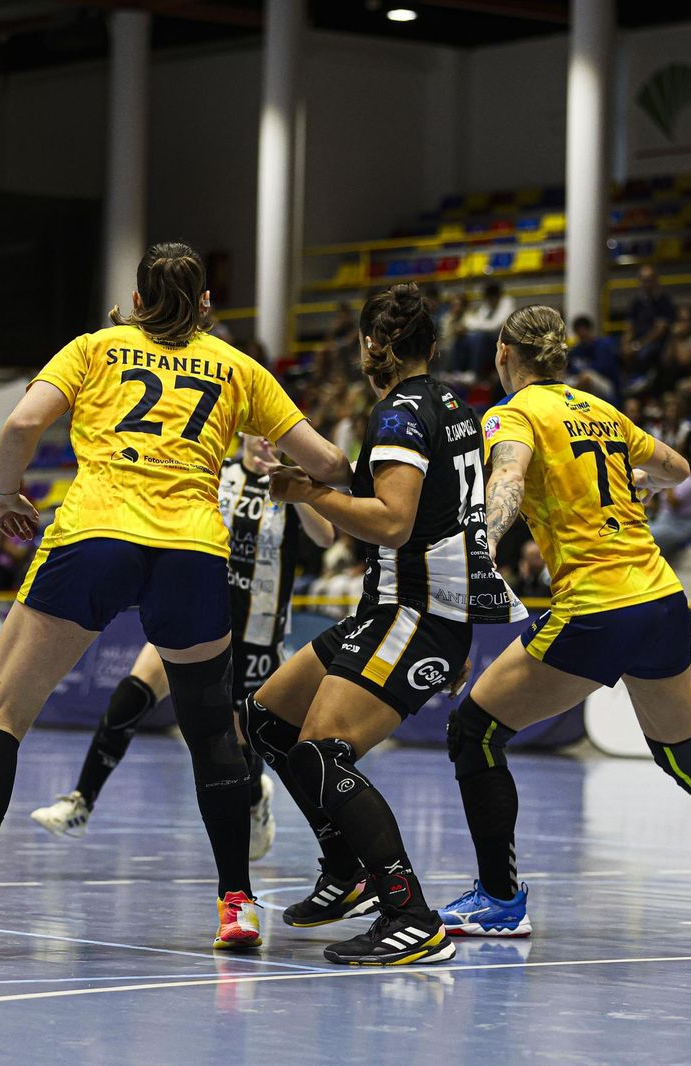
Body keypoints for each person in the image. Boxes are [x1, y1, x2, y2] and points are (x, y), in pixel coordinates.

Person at [0, 242, 351, 955]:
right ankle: (236, 905)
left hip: (96, 537)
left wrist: (8, 495)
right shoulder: (238, 368)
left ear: (137, 302)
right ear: (207, 306)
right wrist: (308, 483)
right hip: (192, 551)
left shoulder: (96, 348)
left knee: (0, 716)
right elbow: (329, 461)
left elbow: (21, 425)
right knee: (212, 732)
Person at [435, 305, 691, 938]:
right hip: (661, 598)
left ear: (503, 354)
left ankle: (500, 901)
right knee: (684, 751)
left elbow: (507, 473)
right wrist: (636, 479)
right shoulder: (600, 409)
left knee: (473, 730)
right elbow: (679, 469)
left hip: (595, 605)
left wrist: (486, 539)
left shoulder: (512, 413)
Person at [243, 283, 527, 966]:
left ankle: (408, 914)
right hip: (410, 607)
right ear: (430, 345)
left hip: (414, 610)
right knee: (269, 718)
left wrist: (312, 491)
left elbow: (395, 521)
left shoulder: (398, 414)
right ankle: (346, 870)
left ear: (374, 347)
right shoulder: (456, 404)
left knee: (319, 749)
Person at [29, 434, 337, 853]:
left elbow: (325, 538)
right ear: (242, 432)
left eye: (272, 432)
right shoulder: (216, 472)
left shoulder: (290, 482)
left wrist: (296, 490)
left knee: (235, 744)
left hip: (257, 634)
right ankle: (81, 802)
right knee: (130, 697)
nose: (263, 439)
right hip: (197, 617)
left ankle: (255, 800)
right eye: (256, 429)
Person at [622, 264, 675, 378]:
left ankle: (644, 384)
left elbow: (660, 330)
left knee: (645, 354)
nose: (646, 284)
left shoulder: (664, 301)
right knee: (617, 351)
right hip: (637, 341)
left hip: (656, 343)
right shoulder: (636, 302)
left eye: (649, 280)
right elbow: (629, 326)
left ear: (656, 280)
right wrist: (626, 344)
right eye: (643, 280)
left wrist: (637, 346)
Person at [566, 314, 622, 399]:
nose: (581, 335)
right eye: (578, 333)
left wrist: (583, 373)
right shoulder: (576, 350)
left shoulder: (603, 346)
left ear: (589, 330)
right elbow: (569, 369)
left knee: (586, 378)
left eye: (583, 332)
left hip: (606, 385)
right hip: (580, 381)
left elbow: (605, 369)